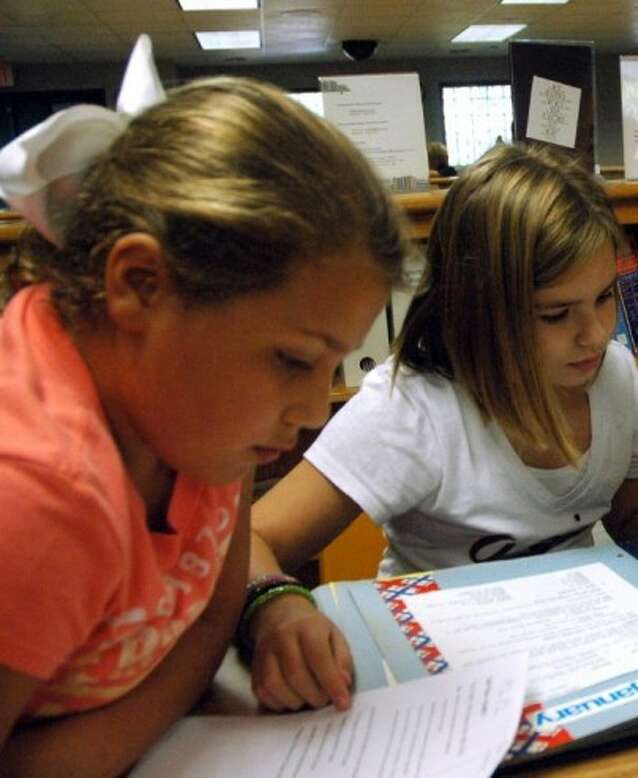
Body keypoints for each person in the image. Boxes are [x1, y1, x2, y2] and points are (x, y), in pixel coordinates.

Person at [0, 72, 410, 774]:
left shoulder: (197, 413)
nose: (314, 411)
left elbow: (213, 610)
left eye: (331, 365)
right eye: (292, 360)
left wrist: (269, 606)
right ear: (139, 285)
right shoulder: (34, 498)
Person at [246, 142, 638, 714]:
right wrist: (279, 606)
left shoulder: (613, 374)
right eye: (555, 313)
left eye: (604, 297)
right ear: (480, 308)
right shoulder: (412, 407)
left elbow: (628, 516)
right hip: (449, 670)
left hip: (579, 649)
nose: (595, 334)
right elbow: (251, 540)